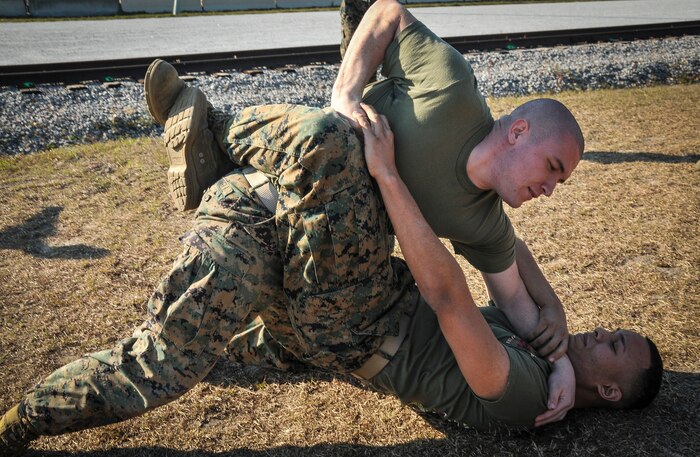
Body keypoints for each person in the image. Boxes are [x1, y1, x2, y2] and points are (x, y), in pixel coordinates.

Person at [0, 66, 662, 456]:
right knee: (174, 354)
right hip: (324, 306)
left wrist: (391, 175)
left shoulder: (527, 397)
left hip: (362, 320)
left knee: (344, 146)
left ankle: (218, 140)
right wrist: (557, 314)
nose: (606, 331)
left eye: (615, 344)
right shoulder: (547, 356)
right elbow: (501, 241)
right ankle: (221, 177)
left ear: (607, 388)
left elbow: (450, 297)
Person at [158, 0, 585, 423]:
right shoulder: (452, 89)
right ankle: (214, 135)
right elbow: (387, 12)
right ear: (519, 132)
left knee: (291, 313)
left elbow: (513, 299)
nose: (549, 190)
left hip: (327, 232)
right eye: (552, 167)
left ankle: (234, 334)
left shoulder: (484, 224)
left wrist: (560, 361)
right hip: (308, 163)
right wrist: (346, 95)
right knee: (324, 131)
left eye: (559, 182)